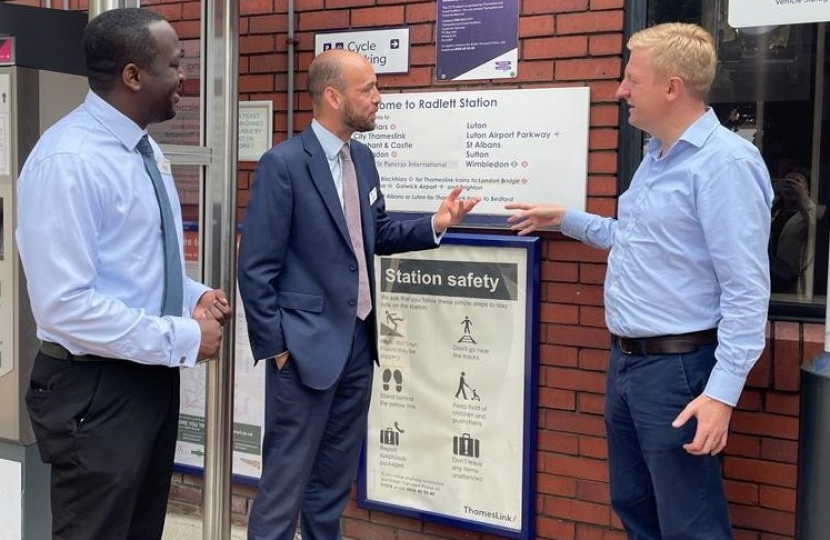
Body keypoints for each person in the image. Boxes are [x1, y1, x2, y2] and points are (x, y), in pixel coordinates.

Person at [506, 23, 771, 540]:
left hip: (679, 372)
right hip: (628, 364)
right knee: (634, 506)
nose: (620, 90)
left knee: (689, 523)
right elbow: (636, 239)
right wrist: (565, 218)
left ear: (672, 87)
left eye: (632, 79)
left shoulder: (725, 165)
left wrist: (721, 395)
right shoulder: (656, 157)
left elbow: (746, 291)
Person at [237, 49, 479, 540]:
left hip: (358, 344)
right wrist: (278, 349)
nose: (377, 98)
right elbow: (255, 269)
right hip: (303, 353)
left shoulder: (361, 158)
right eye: (367, 88)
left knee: (331, 485)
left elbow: (376, 233)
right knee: (285, 486)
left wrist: (435, 224)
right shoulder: (282, 165)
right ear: (332, 96)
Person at [15, 9, 231, 540]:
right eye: (176, 64)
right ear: (134, 76)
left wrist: (192, 296)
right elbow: (65, 305)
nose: (185, 76)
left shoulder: (143, 147)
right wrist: (184, 336)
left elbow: (134, 262)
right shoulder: (69, 160)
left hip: (143, 379)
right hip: (94, 388)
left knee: (139, 528)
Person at [769, 168, 817, 294]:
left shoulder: (810, 214)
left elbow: (818, 227)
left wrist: (803, 197)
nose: (791, 187)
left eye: (796, 183)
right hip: (771, 280)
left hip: (794, 286)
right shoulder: (775, 213)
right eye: (787, 183)